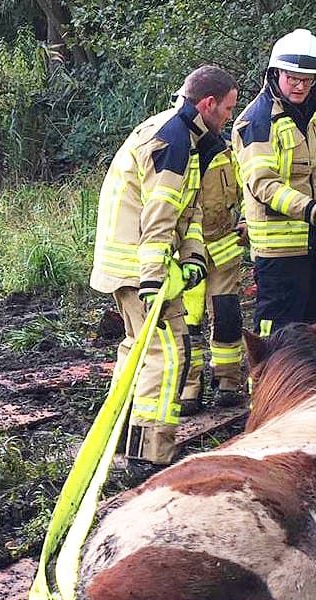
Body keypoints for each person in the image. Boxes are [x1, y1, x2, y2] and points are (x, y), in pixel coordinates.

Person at [90, 66, 237, 466]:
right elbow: (157, 218)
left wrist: (191, 257)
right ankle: (148, 454)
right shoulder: (172, 141)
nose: (229, 117)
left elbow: (186, 212)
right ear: (206, 104)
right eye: (226, 108)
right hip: (139, 267)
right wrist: (154, 280)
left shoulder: (186, 136)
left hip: (138, 264)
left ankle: (121, 436)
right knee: (167, 353)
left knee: (139, 350)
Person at [232, 28, 316, 336]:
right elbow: (263, 184)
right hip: (278, 252)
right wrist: (313, 210)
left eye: (307, 79)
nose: (300, 85)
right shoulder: (257, 120)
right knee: (276, 336)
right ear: (275, 73)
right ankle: (267, 385)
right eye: (292, 77)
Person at [179, 130, 246, 414]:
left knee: (226, 315)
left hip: (223, 246)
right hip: (186, 252)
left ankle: (228, 383)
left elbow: (247, 189)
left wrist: (245, 220)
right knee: (187, 323)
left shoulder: (229, 152)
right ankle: (188, 389)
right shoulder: (176, 150)